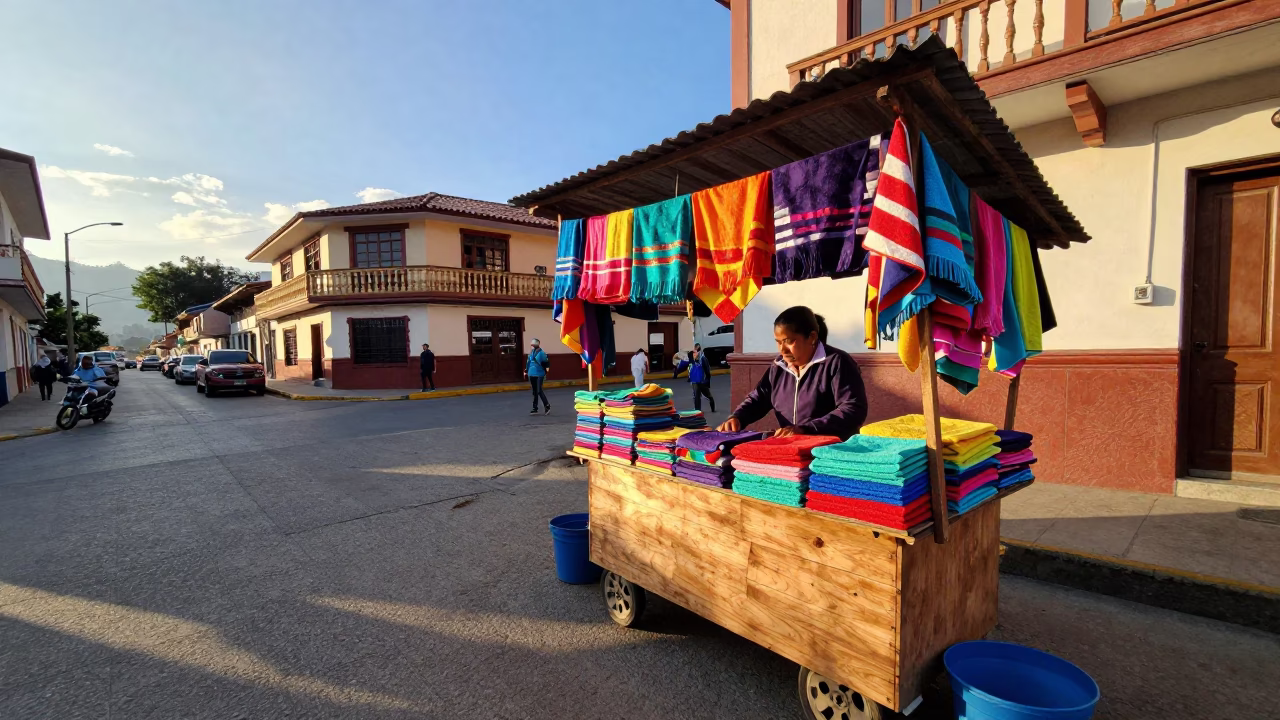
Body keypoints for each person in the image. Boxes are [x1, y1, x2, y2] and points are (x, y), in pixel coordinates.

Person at [717, 306, 867, 441]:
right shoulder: (778, 367)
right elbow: (758, 398)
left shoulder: (837, 362)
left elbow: (852, 409)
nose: (782, 349)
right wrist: (737, 417)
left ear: (812, 337)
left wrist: (806, 429)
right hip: (792, 450)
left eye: (789, 341)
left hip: (830, 452)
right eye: (778, 342)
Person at [525, 338, 551, 415]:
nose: (531, 346)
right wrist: (526, 370)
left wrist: (546, 371)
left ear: (537, 345)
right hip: (531, 374)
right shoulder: (531, 353)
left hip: (539, 374)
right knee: (534, 392)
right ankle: (535, 408)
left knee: (539, 390)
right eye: (531, 345)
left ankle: (547, 406)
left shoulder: (542, 353)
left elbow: (546, 363)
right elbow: (528, 362)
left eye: (533, 345)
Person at [688, 346, 715, 413]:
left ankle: (712, 406)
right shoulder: (692, 360)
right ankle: (697, 411)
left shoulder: (703, 359)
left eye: (695, 352)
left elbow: (707, 371)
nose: (694, 354)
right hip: (695, 381)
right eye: (693, 353)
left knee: (708, 395)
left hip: (702, 381)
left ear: (699, 352)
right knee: (696, 396)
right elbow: (689, 358)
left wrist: (707, 381)